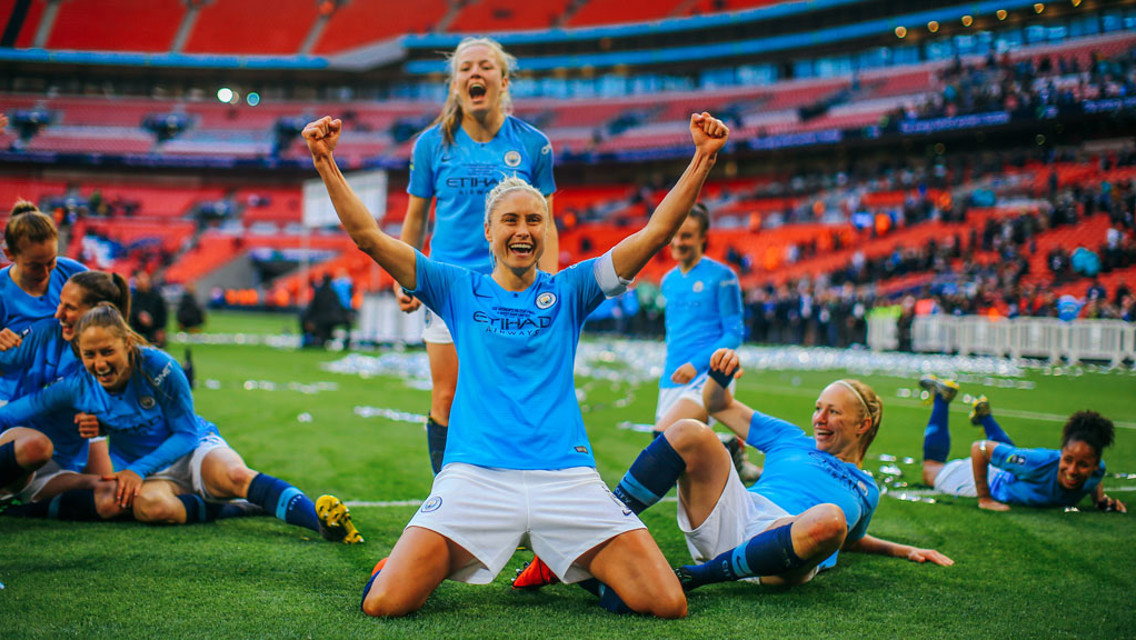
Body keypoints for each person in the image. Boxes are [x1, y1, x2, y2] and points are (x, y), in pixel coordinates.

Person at [304, 110, 730, 617]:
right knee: (386, 603)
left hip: (566, 477)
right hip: (474, 477)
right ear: (489, 231)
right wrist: (325, 160)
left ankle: (572, 561)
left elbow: (657, 233)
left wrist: (703, 156)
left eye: (534, 219)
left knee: (666, 603)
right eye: (511, 219)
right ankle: (410, 562)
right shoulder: (456, 287)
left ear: (547, 230)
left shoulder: (572, 289)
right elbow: (370, 238)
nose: (523, 230)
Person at [592, 348, 952, 591]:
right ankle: (600, 526)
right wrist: (719, 375)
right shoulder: (792, 438)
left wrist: (902, 550)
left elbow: (849, 539)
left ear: (863, 425)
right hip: (740, 512)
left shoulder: (867, 489)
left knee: (830, 519)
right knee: (690, 431)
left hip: (782, 552)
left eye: (833, 412)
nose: (819, 419)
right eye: (817, 408)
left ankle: (695, 577)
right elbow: (718, 404)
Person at [0, 303, 364, 543]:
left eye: (107, 351)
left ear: (127, 343)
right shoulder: (77, 387)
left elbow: (186, 432)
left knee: (236, 476)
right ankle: (235, 507)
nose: (99, 363)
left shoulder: (159, 366)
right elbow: (18, 410)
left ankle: (322, 524)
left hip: (192, 450)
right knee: (152, 510)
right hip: (149, 476)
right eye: (90, 354)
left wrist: (138, 470)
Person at [397, 36, 558, 474]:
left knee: (510, 393)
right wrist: (405, 274)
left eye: (485, 66)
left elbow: (548, 221)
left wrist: (551, 284)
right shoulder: (431, 144)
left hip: (510, 286)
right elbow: (415, 218)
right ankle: (447, 502)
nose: (474, 74)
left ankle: (516, 493)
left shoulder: (533, 144)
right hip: (446, 287)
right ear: (454, 85)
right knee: (446, 396)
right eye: (465, 68)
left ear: (503, 80)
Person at [0, 272, 130, 518]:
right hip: (17, 444)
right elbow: (13, 409)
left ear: (96, 313)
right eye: (60, 303)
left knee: (114, 493)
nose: (58, 313)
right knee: (37, 446)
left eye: (69, 308)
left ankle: (20, 511)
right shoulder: (46, 332)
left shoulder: (117, 367)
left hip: (56, 468)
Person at [650, 202, 758, 482]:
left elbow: (734, 334)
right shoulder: (668, 281)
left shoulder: (723, 277)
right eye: (675, 234)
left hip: (708, 373)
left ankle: (729, 455)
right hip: (673, 375)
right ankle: (729, 448)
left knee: (666, 437)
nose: (678, 241)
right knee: (676, 458)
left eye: (687, 235)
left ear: (702, 237)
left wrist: (695, 364)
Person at [918, 375, 1125, 512]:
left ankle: (985, 418)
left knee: (1012, 454)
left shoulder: (1098, 472)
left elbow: (1095, 479)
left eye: (1083, 465)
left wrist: (1100, 500)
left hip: (1014, 470)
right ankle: (941, 400)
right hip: (992, 480)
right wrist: (985, 499)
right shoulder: (1040, 462)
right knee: (930, 469)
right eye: (1068, 460)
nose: (1072, 470)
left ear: (1096, 464)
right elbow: (979, 449)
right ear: (1061, 453)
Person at [0, 201, 87, 359]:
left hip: (72, 379)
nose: (45, 273)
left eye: (51, 262)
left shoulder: (72, 273)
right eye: (34, 266)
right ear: (9, 253)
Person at [128, 270, 167, 348]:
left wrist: (160, 329)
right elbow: (130, 314)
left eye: (143, 278)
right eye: (138, 279)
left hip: (154, 331)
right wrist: (139, 315)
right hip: (137, 332)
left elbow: (163, 314)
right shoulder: (133, 297)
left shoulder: (156, 296)